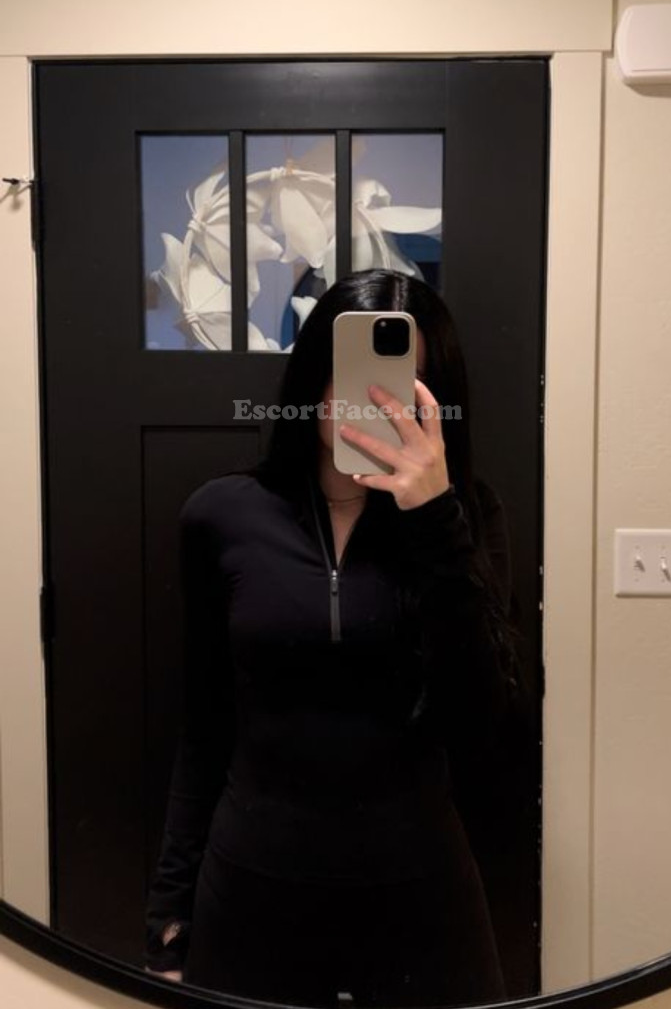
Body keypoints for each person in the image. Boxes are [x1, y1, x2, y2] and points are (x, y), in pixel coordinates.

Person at [143, 269, 527, 1007]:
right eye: (347, 370)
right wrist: (169, 910)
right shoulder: (223, 515)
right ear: (310, 374)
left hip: (420, 891)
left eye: (398, 383)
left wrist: (434, 517)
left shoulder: (467, 517)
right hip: (253, 886)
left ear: (433, 400)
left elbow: (484, 720)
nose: (367, 399)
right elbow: (203, 724)